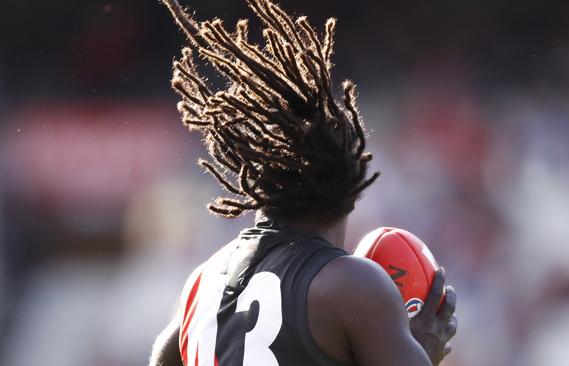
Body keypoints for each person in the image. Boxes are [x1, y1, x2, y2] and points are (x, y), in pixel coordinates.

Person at [150, 0, 457, 365]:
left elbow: (161, 357)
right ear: (354, 185)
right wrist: (423, 351)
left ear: (257, 176)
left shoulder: (200, 286)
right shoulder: (354, 286)